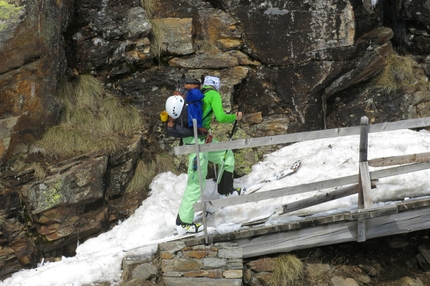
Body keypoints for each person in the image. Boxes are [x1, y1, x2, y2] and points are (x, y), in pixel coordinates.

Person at [166, 76, 244, 235]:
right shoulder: (213, 95)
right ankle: (183, 223)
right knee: (196, 183)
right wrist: (234, 117)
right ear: (216, 86)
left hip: (200, 138)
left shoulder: (198, 94)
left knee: (226, 154)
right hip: (197, 143)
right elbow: (221, 117)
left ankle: (226, 190)